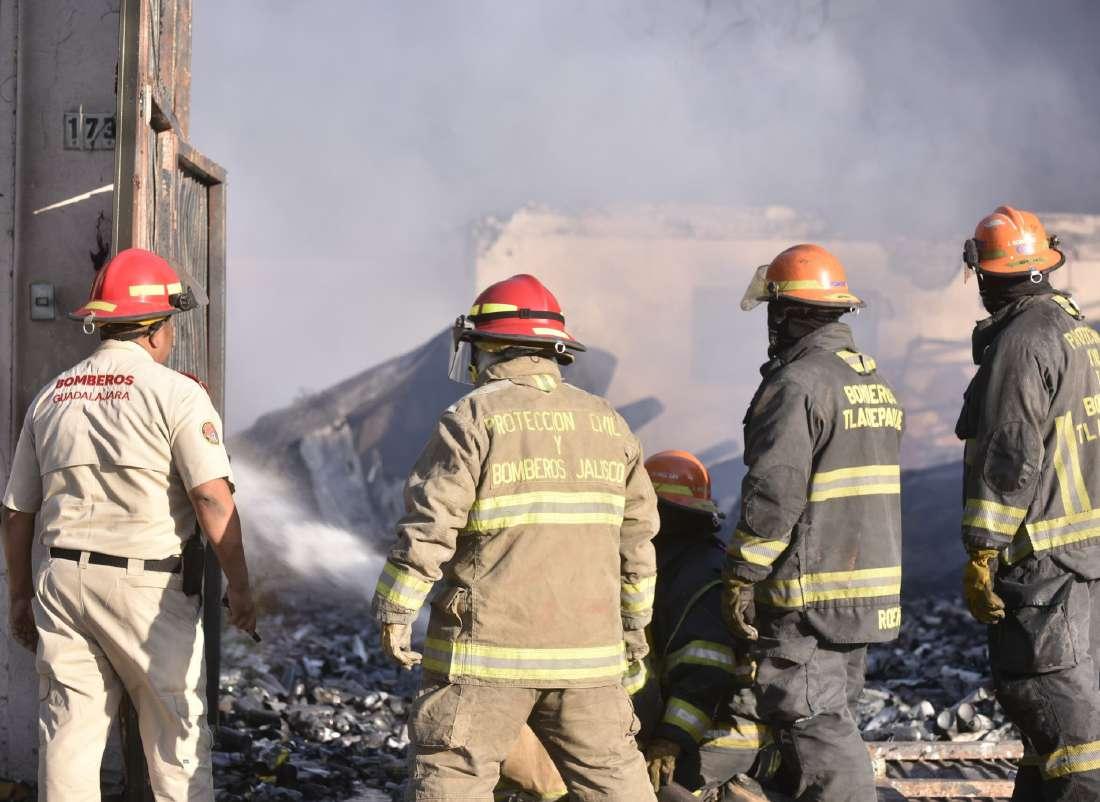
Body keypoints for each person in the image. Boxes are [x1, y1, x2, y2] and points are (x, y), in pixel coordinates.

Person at [371, 273, 659, 801]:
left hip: (487, 655)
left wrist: (396, 610)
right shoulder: (609, 423)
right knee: (616, 783)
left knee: (455, 777)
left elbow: (432, 524)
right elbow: (637, 547)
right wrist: (633, 635)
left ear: (489, 347)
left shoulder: (473, 416)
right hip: (589, 659)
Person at [1, 247, 256, 802]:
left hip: (61, 584)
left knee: (68, 743)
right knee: (176, 743)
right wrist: (239, 588)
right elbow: (211, 498)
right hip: (147, 591)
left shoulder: (52, 396)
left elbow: (17, 512)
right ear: (158, 328)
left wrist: (20, 596)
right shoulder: (177, 393)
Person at [722, 244, 903, 802]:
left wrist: (742, 572)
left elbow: (774, 494)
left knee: (813, 719)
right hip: (860, 590)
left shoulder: (798, 384)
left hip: (810, 593)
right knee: (830, 715)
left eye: (775, 312)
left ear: (789, 313)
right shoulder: (869, 380)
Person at [956, 206, 1100, 801]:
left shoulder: (1020, 343)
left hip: (1045, 564)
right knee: (1055, 740)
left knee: (1067, 733)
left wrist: (982, 552)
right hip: (1085, 559)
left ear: (986, 274)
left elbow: (1009, 454)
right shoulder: (1078, 330)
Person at [640, 450, 775, 795]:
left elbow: (706, 671)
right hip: (708, 724)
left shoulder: (697, 576)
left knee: (645, 786)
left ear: (660, 514)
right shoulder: (678, 565)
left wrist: (669, 741)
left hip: (727, 733)